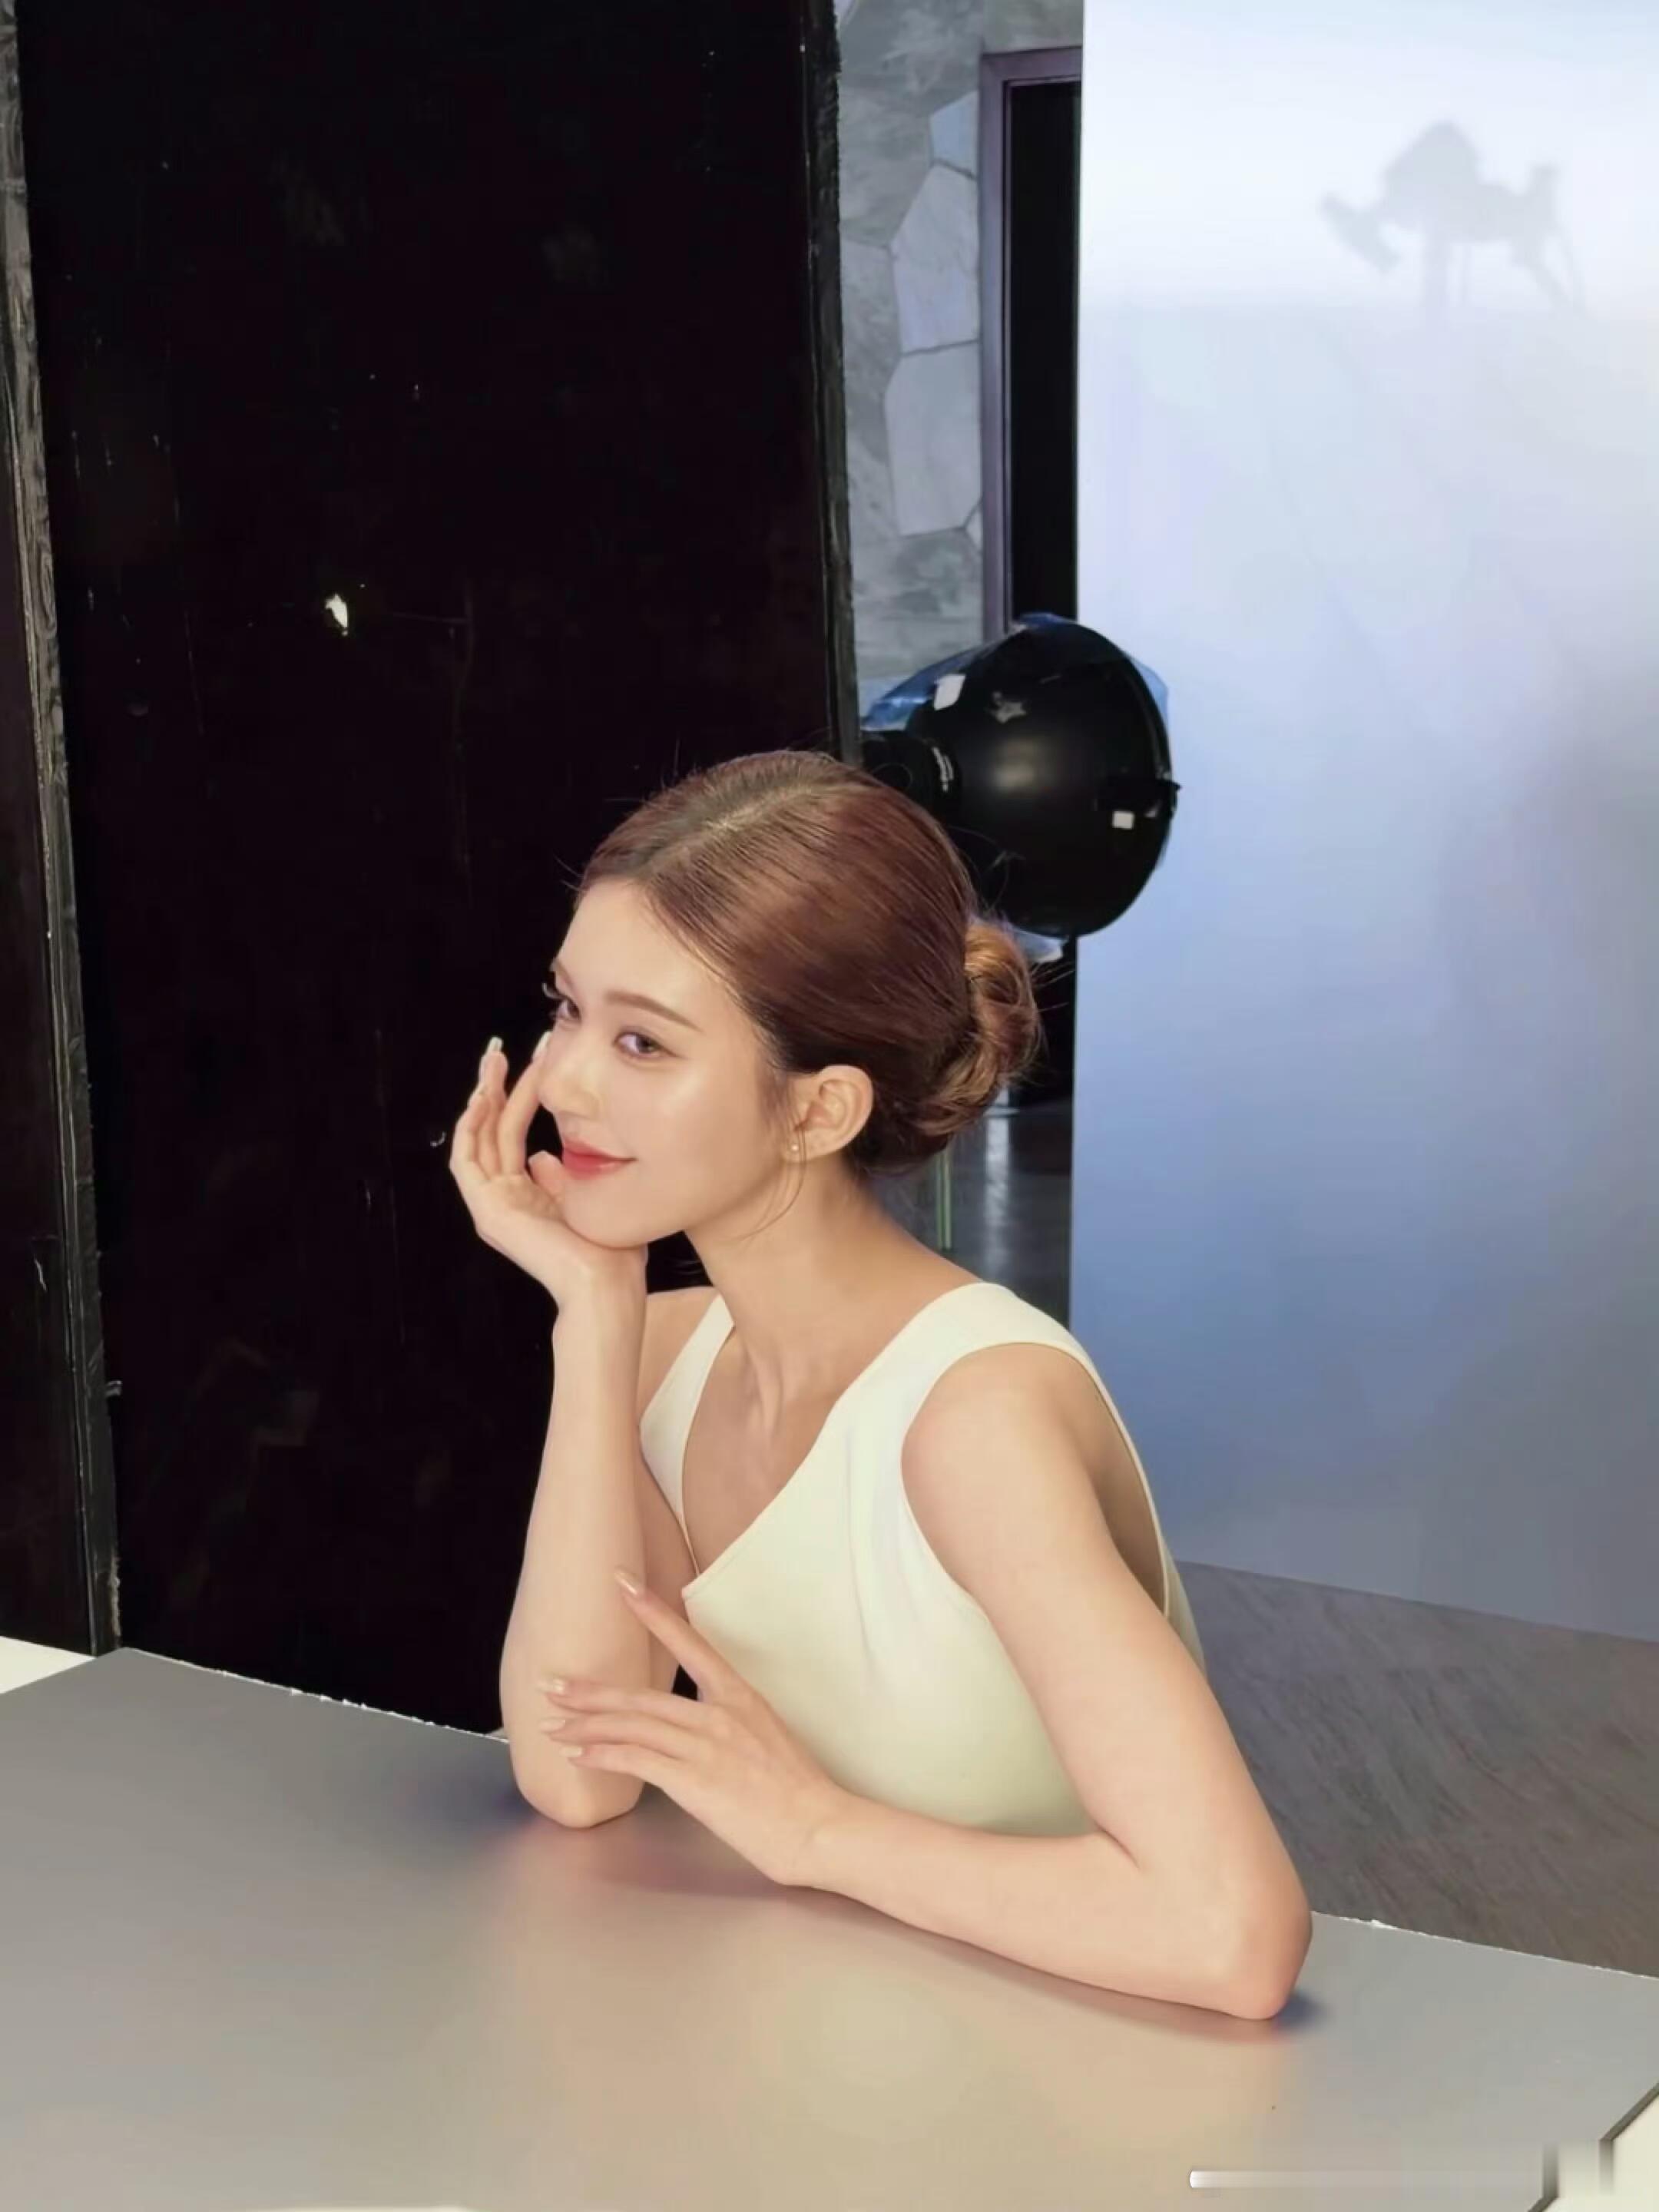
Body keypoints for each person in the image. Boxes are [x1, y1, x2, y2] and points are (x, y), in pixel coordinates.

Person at [451, 747, 1310, 2015]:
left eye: (642, 1041)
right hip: (837, 2045)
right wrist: (593, 1314)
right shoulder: (658, 1351)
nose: (564, 1080)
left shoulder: (975, 1419)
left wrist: (815, 1833)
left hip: (1076, 2072)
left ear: (821, 1111)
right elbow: (578, 1774)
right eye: (567, 1009)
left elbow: (1231, 1939)